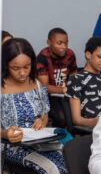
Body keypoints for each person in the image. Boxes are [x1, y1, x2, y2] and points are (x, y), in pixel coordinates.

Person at [1, 38, 66, 174]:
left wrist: (40, 121)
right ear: (6, 65)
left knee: (71, 160)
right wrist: (6, 134)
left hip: (38, 143)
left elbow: (44, 114)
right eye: (16, 68)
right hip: (9, 146)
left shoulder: (35, 84)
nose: (23, 73)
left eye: (27, 67)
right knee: (53, 168)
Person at [66, 37, 101, 128]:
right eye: (100, 56)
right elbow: (77, 119)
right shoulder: (76, 79)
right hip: (93, 132)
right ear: (88, 55)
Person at [37, 27, 77, 127]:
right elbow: (44, 87)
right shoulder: (42, 58)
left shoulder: (70, 54)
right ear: (49, 42)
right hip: (49, 96)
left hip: (67, 93)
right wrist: (64, 90)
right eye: (59, 43)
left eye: (66, 43)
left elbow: (74, 75)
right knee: (61, 118)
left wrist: (73, 88)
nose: (64, 46)